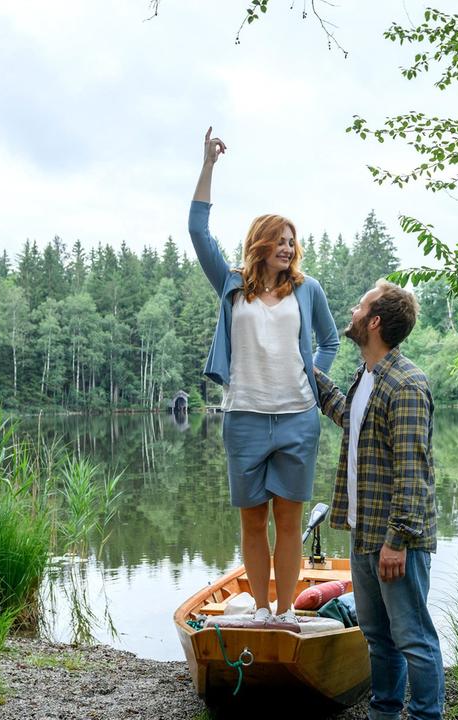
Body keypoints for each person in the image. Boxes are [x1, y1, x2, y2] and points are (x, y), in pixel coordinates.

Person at [188, 127, 340, 624]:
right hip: (245, 418)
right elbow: (197, 231)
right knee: (254, 522)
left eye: (293, 241)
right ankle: (259, 609)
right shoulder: (233, 287)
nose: (289, 247)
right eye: (280, 239)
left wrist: (310, 376)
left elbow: (331, 340)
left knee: (290, 522)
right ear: (261, 243)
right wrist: (208, 164)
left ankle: (285, 612)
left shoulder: (308, 289)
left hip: (298, 418)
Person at [313, 279, 443, 720]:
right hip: (363, 531)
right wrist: (304, 370)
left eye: (359, 305)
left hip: (395, 541)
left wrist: (398, 540)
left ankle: (427, 715)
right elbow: (343, 415)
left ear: (373, 321)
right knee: (377, 636)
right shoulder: (366, 378)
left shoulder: (406, 384)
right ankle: (384, 713)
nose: (351, 310)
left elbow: (414, 472)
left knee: (413, 638)